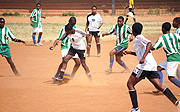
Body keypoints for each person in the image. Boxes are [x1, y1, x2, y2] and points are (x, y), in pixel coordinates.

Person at [123, 22, 180, 112]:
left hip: (145, 66)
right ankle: (177, 103)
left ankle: (136, 108)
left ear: (133, 31)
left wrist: (143, 57)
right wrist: (130, 53)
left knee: (130, 84)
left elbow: (149, 44)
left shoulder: (138, 38)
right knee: (159, 86)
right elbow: (144, 51)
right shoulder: (139, 38)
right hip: (151, 65)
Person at [152, 17, 180, 93]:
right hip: (175, 56)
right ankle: (160, 87)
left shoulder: (162, 38)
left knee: (171, 78)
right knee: (158, 69)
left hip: (172, 58)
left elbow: (153, 48)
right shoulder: (175, 35)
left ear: (163, 29)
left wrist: (147, 46)